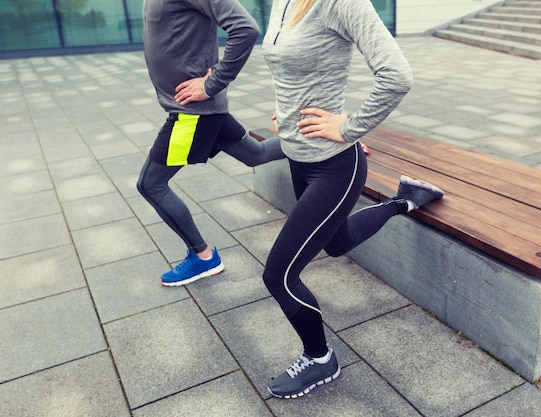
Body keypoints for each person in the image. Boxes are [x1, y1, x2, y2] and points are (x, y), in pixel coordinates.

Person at [261, 0, 444, 399]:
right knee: (338, 242)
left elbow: (397, 76)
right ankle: (406, 201)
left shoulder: (339, 2)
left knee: (278, 275)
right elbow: (293, 70)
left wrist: (350, 128)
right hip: (300, 157)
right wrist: (286, 114)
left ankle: (321, 360)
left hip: (335, 166)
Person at [137, 0, 285, 287]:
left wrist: (211, 83)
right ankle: (318, 142)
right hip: (198, 111)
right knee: (255, 154)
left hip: (192, 115)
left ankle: (204, 258)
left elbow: (246, 29)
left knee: (151, 184)